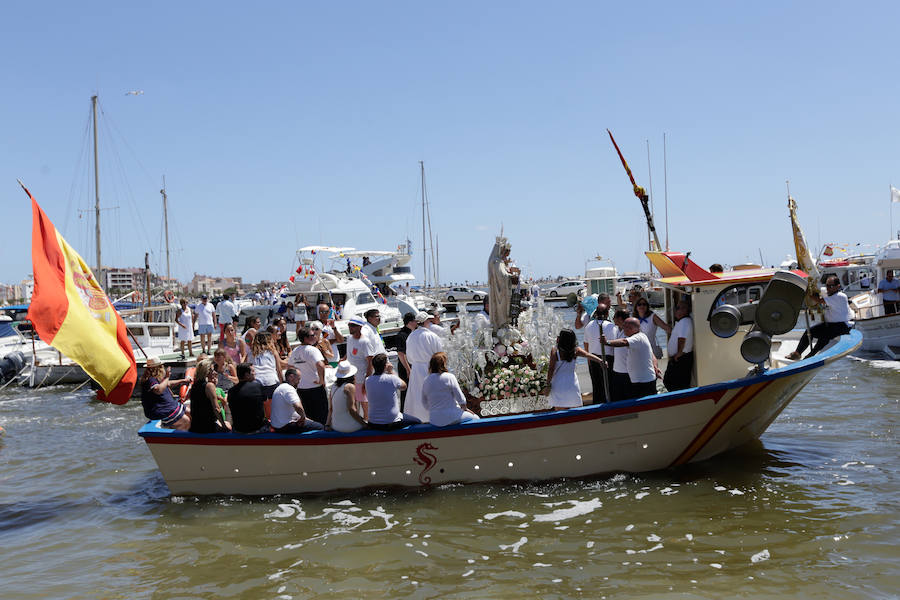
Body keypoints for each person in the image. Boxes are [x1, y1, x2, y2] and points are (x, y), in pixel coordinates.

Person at [788, 275, 852, 359]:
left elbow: (820, 301)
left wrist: (808, 294)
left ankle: (811, 355)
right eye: (827, 285)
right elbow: (817, 288)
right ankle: (797, 353)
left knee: (825, 336)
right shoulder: (828, 292)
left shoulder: (840, 296)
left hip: (842, 325)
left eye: (831, 286)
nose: (828, 288)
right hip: (830, 324)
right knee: (809, 331)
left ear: (838, 286)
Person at [545, 329, 605, 410]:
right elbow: (587, 355)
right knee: (576, 408)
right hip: (572, 383)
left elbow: (551, 369)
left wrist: (548, 384)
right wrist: (600, 361)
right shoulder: (576, 350)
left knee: (559, 410)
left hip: (558, 384)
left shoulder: (555, 351)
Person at [603, 317, 660, 400]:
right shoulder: (641, 337)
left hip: (644, 382)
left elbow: (624, 342)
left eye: (626, 327)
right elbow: (652, 355)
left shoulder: (638, 337)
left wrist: (607, 342)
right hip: (639, 380)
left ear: (633, 328)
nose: (624, 329)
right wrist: (655, 367)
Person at [404, 312, 444, 421]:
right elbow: (440, 354)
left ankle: (418, 418)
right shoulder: (432, 336)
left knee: (417, 395)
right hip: (430, 368)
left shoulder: (410, 337)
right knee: (431, 394)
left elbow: (410, 358)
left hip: (416, 369)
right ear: (426, 321)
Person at [422, 352, 480, 426]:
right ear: (444, 364)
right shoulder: (449, 377)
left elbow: (424, 402)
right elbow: (460, 397)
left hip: (434, 419)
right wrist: (464, 408)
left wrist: (434, 410)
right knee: (476, 418)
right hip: (451, 416)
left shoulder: (426, 380)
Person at [366, 353, 421, 430]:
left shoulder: (367, 380)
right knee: (418, 421)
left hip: (373, 422)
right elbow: (404, 386)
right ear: (385, 366)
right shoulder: (392, 378)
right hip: (392, 421)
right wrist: (391, 371)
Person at [288, 325, 329, 424]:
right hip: (315, 387)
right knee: (321, 415)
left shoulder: (295, 351)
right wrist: (322, 380)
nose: (315, 336)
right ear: (306, 338)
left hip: (301, 388)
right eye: (312, 335)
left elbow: (290, 368)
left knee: (308, 415)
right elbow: (320, 365)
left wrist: (294, 383)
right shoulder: (313, 350)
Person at [140, 356, 192, 430]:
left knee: (192, 413)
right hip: (162, 410)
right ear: (158, 368)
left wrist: (183, 380)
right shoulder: (151, 379)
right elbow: (158, 389)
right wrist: (167, 377)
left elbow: (168, 383)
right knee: (186, 421)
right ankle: (182, 438)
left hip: (169, 406)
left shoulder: (157, 378)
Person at [270, 368, 325, 433]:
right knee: (320, 427)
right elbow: (298, 407)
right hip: (285, 427)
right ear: (291, 377)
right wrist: (303, 417)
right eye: (298, 379)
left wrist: (305, 419)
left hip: (277, 426)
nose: (299, 381)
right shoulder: (288, 389)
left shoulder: (281, 387)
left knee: (312, 423)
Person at [345, 317, 377, 419]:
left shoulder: (365, 342)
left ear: (360, 327)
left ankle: (367, 420)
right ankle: (357, 421)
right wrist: (343, 359)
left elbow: (370, 362)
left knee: (363, 401)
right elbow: (350, 353)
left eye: (353, 325)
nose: (350, 327)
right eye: (349, 325)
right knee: (353, 401)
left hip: (361, 377)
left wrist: (366, 379)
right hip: (350, 376)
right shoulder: (349, 338)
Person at [189, 358, 232, 433]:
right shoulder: (209, 386)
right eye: (212, 370)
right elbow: (216, 408)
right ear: (207, 372)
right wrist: (224, 426)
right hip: (207, 427)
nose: (215, 372)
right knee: (228, 426)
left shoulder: (194, 386)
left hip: (195, 425)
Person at [583, 306, 615, 402]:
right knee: (610, 386)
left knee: (597, 386)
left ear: (595, 314)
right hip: (609, 359)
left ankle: (597, 404)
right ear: (607, 314)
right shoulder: (611, 326)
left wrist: (589, 359)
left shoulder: (588, 326)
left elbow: (586, 344)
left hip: (593, 359)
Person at [228, 362, 269, 434]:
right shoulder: (257, 386)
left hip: (238, 429)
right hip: (257, 429)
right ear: (247, 375)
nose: (255, 373)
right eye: (252, 371)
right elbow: (266, 402)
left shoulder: (231, 391)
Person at [663, 300, 694, 391]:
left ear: (684, 310)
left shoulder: (684, 322)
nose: (675, 311)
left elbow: (682, 339)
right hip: (681, 357)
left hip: (681, 358)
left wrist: (679, 353)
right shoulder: (684, 321)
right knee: (672, 382)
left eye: (677, 308)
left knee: (673, 383)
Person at [327, 361, 367, 433]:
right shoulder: (349, 387)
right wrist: (364, 424)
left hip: (336, 426)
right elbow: (351, 409)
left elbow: (331, 409)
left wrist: (327, 425)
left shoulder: (334, 386)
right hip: (349, 427)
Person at [251, 330, 284, 400]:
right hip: (272, 380)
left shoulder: (251, 353)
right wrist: (281, 384)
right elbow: (279, 370)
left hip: (257, 381)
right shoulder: (273, 352)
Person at [394, 312, 416, 409]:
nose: (416, 323)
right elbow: (401, 354)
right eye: (415, 321)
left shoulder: (412, 333)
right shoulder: (401, 335)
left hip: (412, 365)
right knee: (406, 391)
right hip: (405, 366)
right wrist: (408, 369)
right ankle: (404, 411)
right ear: (410, 322)